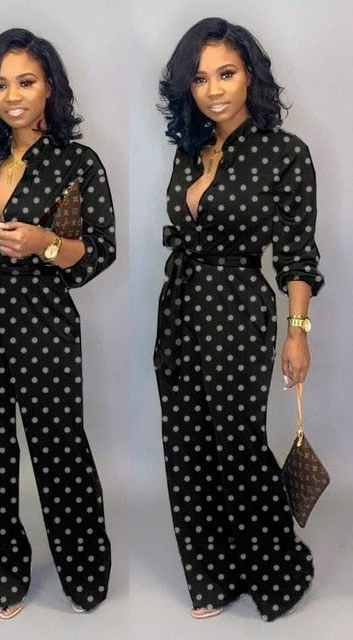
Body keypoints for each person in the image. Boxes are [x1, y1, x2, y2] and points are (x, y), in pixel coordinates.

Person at [0, 27, 115, 619]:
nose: (12, 96)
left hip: (42, 322)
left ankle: (85, 578)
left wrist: (45, 244)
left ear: (50, 88)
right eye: (0, 85)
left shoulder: (77, 162)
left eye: (26, 82)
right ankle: (2, 577)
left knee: (60, 452)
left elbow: (99, 252)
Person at [154, 17, 324, 621]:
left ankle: (279, 574)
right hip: (180, 307)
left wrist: (297, 333)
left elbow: (298, 255)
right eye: (200, 78)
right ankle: (212, 577)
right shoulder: (190, 150)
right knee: (186, 443)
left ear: (250, 73)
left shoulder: (285, 152)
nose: (214, 90)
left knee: (238, 445)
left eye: (225, 73)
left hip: (238, 307)